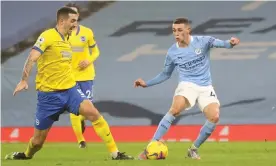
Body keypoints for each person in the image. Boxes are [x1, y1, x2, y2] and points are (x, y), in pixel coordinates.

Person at [5, 7, 133, 160]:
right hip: (49, 96)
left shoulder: (68, 38)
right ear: (61, 21)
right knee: (38, 142)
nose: (75, 24)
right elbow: (32, 56)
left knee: (94, 114)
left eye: (77, 21)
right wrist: (24, 80)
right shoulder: (48, 36)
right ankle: (26, 154)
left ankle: (115, 153)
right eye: (72, 21)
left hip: (70, 90)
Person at [134, 17, 240, 160]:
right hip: (187, 84)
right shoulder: (172, 52)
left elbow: (222, 44)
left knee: (214, 117)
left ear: (188, 30)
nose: (176, 34)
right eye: (174, 31)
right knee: (175, 109)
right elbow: (165, 74)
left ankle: (193, 149)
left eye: (179, 30)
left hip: (205, 86)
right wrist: (147, 83)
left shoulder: (203, 41)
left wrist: (231, 43)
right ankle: (150, 147)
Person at [65, 3, 100, 149]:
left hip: (86, 76)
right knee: (74, 109)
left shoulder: (87, 32)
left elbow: (96, 52)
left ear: (78, 16)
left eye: (75, 14)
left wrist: (88, 60)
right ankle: (81, 141)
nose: (72, 17)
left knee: (86, 110)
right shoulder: (60, 34)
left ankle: (82, 121)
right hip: (69, 77)